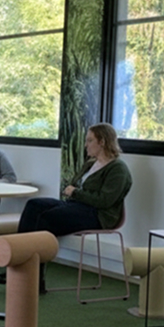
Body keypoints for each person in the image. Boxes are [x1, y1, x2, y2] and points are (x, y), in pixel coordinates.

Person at [17, 122, 132, 291]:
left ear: (102, 142)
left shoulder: (118, 169)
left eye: (89, 140)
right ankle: (19, 262)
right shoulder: (91, 164)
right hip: (77, 205)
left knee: (47, 218)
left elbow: (105, 201)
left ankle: (33, 276)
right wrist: (74, 193)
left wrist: (76, 193)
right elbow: (74, 186)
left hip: (98, 215)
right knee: (34, 205)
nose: (86, 145)